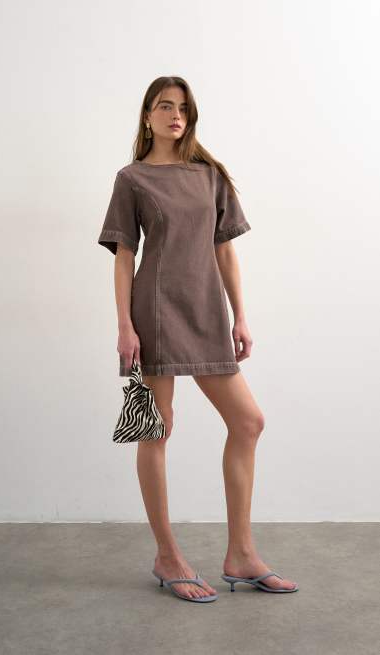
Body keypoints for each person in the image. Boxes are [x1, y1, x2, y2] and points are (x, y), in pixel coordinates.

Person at [97, 76, 298, 602]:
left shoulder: (210, 176)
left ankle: (242, 554)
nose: (176, 116)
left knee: (248, 422)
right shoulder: (132, 179)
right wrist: (124, 325)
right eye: (165, 106)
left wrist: (241, 316)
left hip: (207, 310)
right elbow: (124, 256)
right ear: (147, 116)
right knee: (157, 429)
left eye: (184, 108)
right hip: (155, 312)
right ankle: (167, 556)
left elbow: (225, 249)